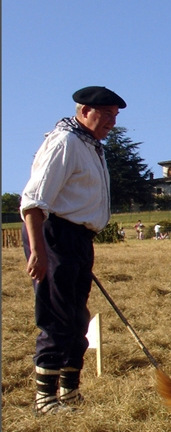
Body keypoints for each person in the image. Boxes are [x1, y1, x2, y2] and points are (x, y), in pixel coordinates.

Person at [20, 85, 126, 415]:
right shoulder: (64, 142)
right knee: (58, 316)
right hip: (54, 235)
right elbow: (33, 202)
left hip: (78, 239)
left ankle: (70, 392)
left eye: (115, 116)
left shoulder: (91, 146)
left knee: (77, 317)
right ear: (83, 111)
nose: (111, 121)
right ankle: (45, 399)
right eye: (106, 114)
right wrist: (38, 251)